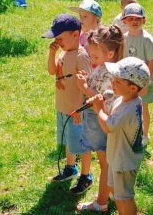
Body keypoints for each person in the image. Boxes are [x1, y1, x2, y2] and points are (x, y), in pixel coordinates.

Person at [90, 57, 150, 215]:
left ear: (133, 88)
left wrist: (99, 110)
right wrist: (102, 107)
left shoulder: (128, 109)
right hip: (117, 158)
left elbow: (108, 126)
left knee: (125, 198)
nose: (112, 84)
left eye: (117, 82)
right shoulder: (124, 101)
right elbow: (112, 120)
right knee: (117, 195)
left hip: (124, 163)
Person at [75, 25, 124, 208]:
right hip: (101, 120)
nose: (91, 59)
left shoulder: (110, 72)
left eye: (94, 56)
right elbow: (97, 88)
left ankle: (101, 203)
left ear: (110, 53)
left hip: (103, 121)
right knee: (106, 163)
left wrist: (83, 87)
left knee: (105, 165)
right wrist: (87, 79)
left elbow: (99, 99)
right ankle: (110, 193)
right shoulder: (104, 66)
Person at [42, 14, 92, 186]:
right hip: (63, 107)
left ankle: (86, 176)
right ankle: (71, 168)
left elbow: (86, 85)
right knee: (69, 141)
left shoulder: (81, 56)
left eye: (60, 38)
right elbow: (51, 71)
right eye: (56, 38)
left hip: (77, 110)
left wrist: (80, 108)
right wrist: (52, 53)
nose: (57, 41)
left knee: (83, 144)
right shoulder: (63, 52)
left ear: (75, 35)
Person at [121, 3, 153, 146]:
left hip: (146, 80)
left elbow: (151, 62)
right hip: (130, 80)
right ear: (124, 21)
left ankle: (144, 135)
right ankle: (131, 132)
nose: (134, 22)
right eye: (130, 19)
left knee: (143, 107)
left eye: (138, 18)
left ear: (144, 20)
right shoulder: (124, 38)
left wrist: (145, 83)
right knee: (129, 106)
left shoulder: (147, 39)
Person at [70, 0, 102, 66]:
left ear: (97, 19)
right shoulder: (80, 35)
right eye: (80, 16)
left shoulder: (100, 38)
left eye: (85, 16)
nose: (81, 19)